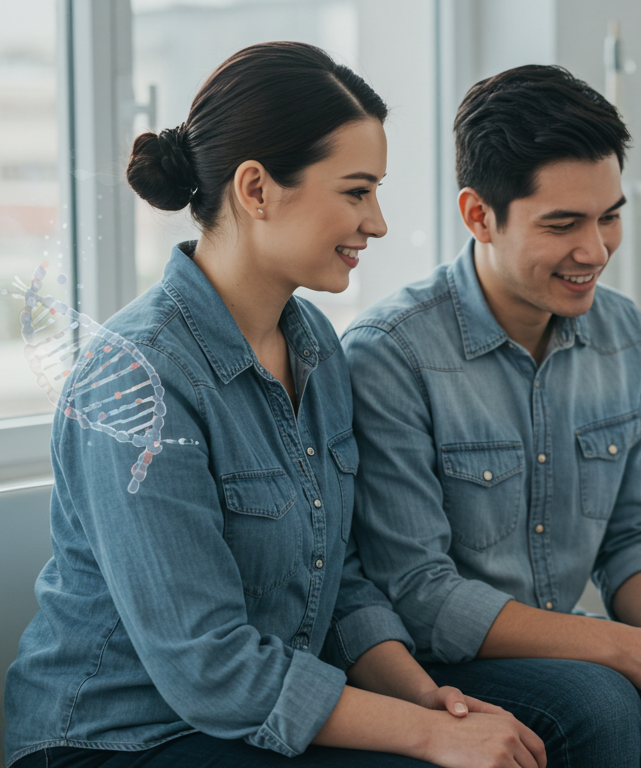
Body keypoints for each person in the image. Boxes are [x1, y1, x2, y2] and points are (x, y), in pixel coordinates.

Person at [4, 42, 545, 768]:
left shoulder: (315, 342)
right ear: (255, 189)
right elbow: (211, 667)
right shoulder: (136, 377)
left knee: (564, 720)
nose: (377, 222)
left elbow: (339, 577)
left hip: (240, 718)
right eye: (357, 192)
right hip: (116, 738)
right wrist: (432, 737)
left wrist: (427, 700)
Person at [342, 64, 641, 768]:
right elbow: (421, 595)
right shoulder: (390, 355)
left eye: (610, 216)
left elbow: (634, 532)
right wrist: (630, 651)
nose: (595, 251)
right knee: (598, 702)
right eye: (563, 225)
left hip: (573, 646)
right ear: (478, 215)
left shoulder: (620, 332)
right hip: (436, 664)